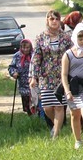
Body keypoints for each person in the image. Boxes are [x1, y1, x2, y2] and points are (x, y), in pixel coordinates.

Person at [30, 11, 72, 140]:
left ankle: (56, 134)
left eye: (56, 19)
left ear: (60, 21)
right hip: (46, 76)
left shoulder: (65, 38)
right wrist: (34, 77)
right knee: (47, 106)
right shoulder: (41, 38)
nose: (54, 21)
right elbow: (36, 58)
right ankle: (55, 125)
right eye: (51, 19)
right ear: (47, 21)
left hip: (61, 76)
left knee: (59, 105)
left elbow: (71, 55)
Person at [8, 39, 35, 116]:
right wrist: (14, 73)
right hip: (23, 85)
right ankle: (31, 119)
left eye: (27, 48)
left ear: (30, 47)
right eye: (23, 48)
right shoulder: (17, 56)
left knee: (35, 103)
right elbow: (11, 67)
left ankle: (39, 119)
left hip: (34, 83)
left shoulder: (34, 55)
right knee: (27, 106)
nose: (25, 50)